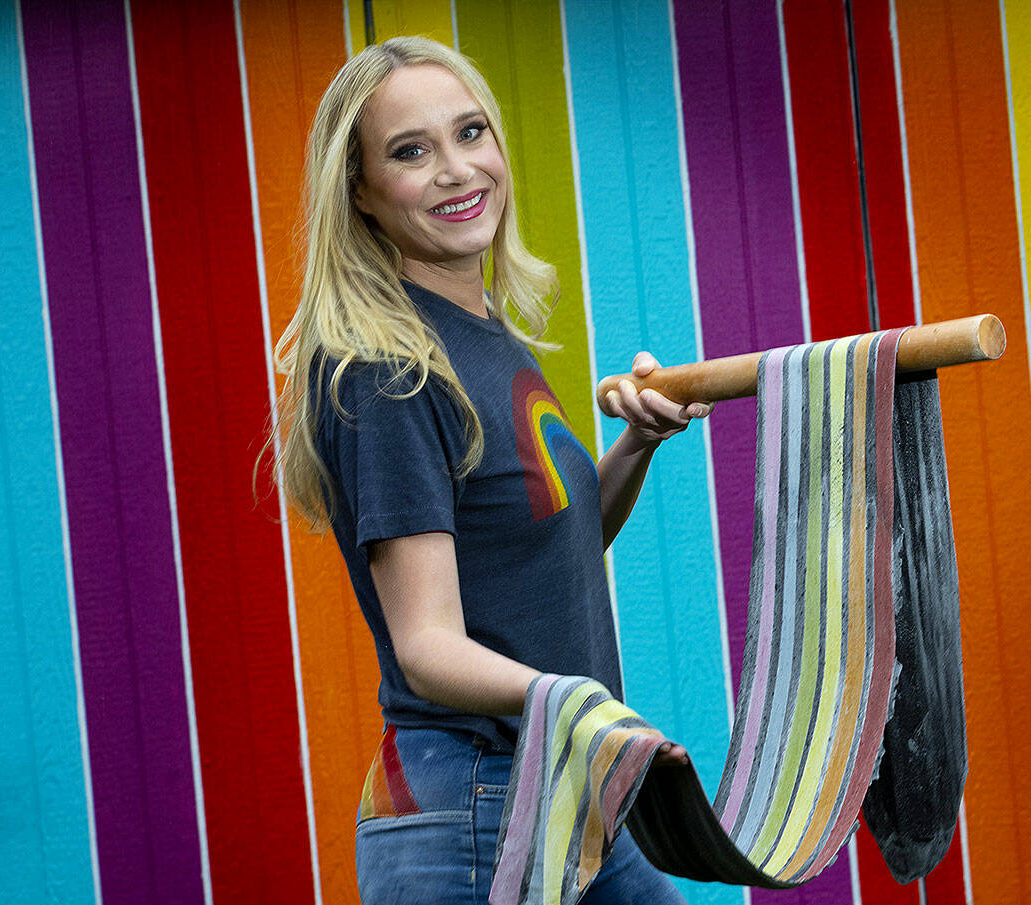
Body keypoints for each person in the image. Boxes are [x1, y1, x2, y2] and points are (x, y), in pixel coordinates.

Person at [273, 36, 711, 904]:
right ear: (358, 191)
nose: (453, 167)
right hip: (478, 802)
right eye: (410, 151)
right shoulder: (388, 367)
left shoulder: (481, 336)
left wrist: (636, 445)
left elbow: (545, 554)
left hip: (559, 780)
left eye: (470, 132)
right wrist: (592, 713)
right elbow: (427, 644)